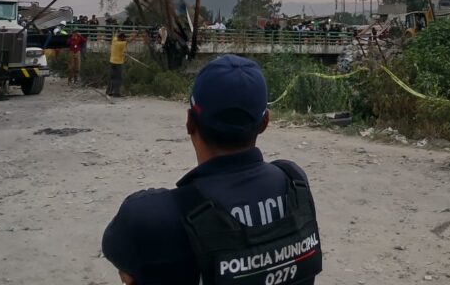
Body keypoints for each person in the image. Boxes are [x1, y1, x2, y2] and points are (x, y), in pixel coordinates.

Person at [102, 55, 322, 284]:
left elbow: (123, 265)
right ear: (265, 122)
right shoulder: (295, 184)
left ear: (189, 122)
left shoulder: (148, 217)